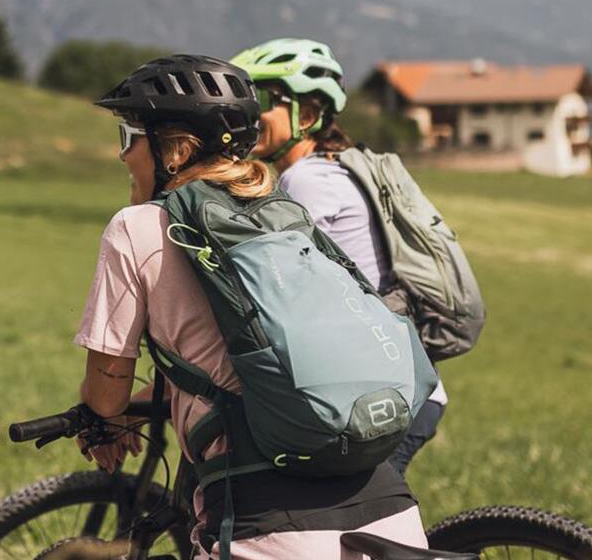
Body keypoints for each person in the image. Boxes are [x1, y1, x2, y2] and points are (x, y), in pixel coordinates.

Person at [73, 55, 428, 559]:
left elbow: (106, 394)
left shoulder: (135, 228)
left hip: (266, 530)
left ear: (176, 150)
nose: (123, 154)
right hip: (391, 512)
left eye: (130, 136)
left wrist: (100, 413)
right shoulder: (284, 214)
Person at [230, 38, 447, 475]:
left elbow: (280, 294)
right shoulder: (332, 169)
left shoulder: (305, 182)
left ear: (307, 115)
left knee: (350, 514)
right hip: (386, 385)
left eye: (263, 102)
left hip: (379, 399)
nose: (249, 117)